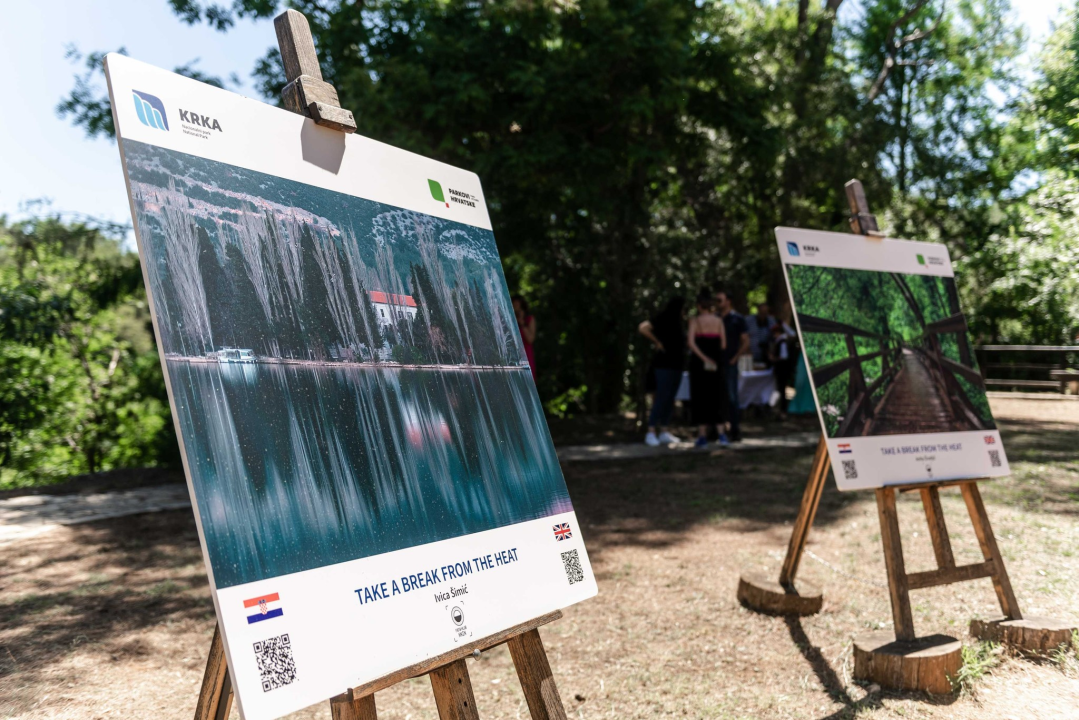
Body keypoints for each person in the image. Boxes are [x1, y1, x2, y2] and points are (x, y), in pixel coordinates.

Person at [639, 296, 686, 446]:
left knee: (670, 398)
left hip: (677, 365)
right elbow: (643, 327)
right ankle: (651, 431)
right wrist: (657, 341)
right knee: (661, 397)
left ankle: (664, 430)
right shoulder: (663, 318)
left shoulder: (680, 322)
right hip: (664, 364)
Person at [687, 291, 729, 447]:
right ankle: (722, 435)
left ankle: (702, 436)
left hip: (699, 364)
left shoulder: (695, 321)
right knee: (717, 396)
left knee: (701, 398)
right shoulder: (718, 321)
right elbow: (723, 344)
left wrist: (704, 358)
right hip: (716, 363)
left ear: (698, 306)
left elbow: (691, 343)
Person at [715, 289, 750, 442]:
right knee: (717, 397)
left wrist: (736, 357)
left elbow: (746, 341)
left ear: (728, 301)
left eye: (720, 300)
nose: (717, 303)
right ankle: (717, 430)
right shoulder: (714, 318)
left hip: (730, 363)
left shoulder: (738, 319)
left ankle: (735, 430)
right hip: (715, 363)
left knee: (732, 397)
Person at [768, 322, 797, 416]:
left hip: (782, 370)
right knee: (782, 390)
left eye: (774, 333)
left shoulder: (782, 342)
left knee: (782, 390)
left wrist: (773, 358)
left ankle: (783, 410)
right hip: (783, 370)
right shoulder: (782, 341)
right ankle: (781, 409)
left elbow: (784, 357)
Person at [512, 296, 537, 380]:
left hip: (526, 355)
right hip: (513, 356)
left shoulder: (529, 319)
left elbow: (530, 339)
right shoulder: (509, 320)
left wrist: (522, 323)